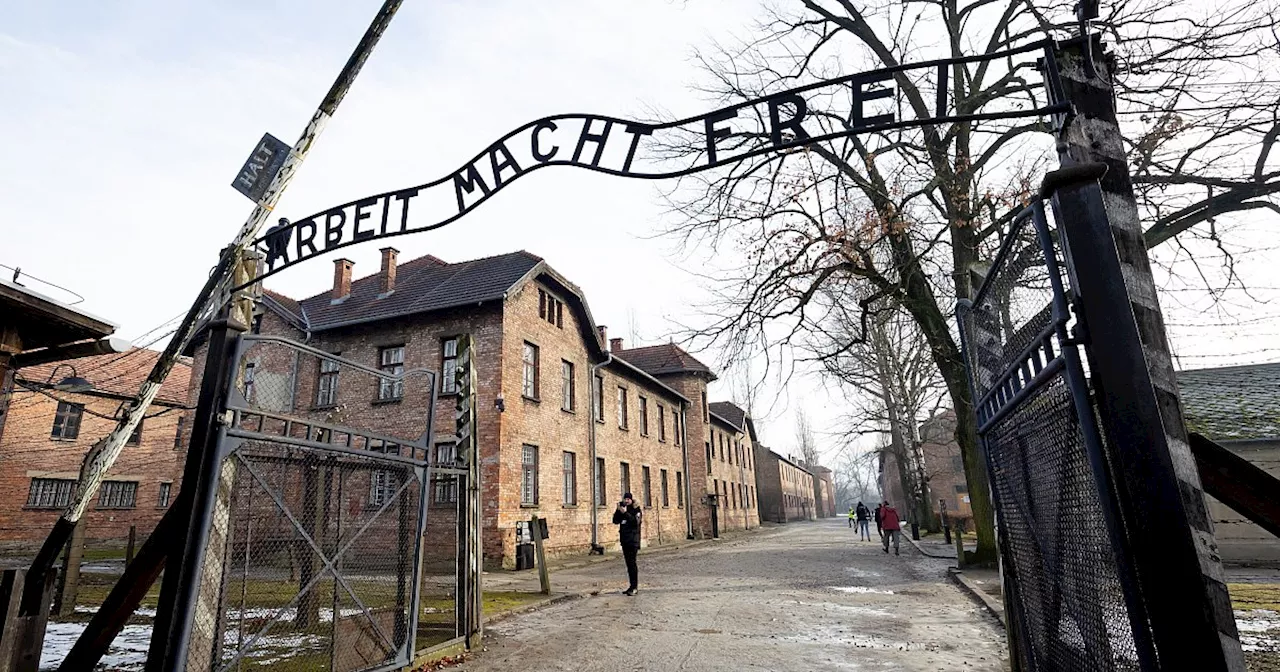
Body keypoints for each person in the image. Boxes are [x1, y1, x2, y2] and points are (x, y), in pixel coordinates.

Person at [613, 492, 643, 595]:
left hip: (633, 541)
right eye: (625, 499)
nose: (626, 501)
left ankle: (634, 587)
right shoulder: (622, 509)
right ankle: (631, 586)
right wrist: (618, 511)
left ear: (631, 500)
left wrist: (625, 513)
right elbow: (615, 521)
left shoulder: (636, 510)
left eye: (628, 499)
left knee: (632, 564)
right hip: (625, 541)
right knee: (628, 565)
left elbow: (635, 522)